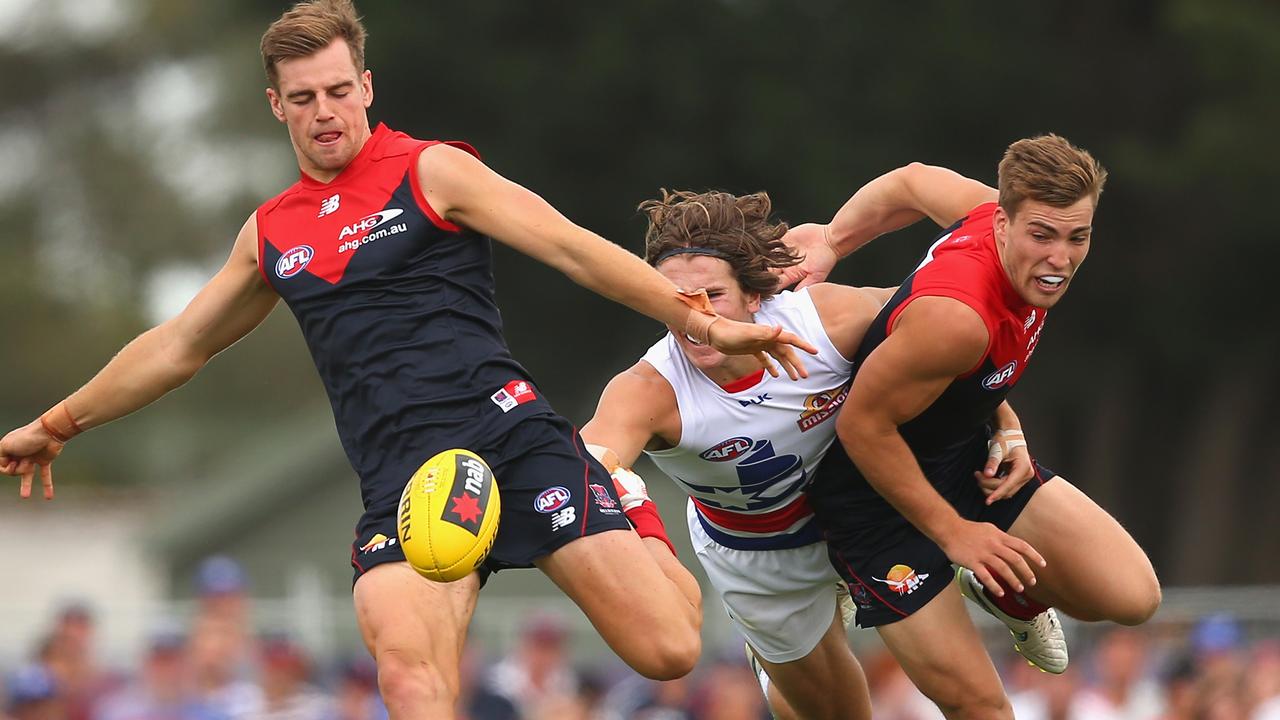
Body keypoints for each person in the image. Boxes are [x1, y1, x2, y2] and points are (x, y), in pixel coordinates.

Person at [0, 2, 818, 718]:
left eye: (338, 90)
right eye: (303, 98)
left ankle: (625, 497)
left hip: (512, 440)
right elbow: (176, 346)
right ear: (275, 105)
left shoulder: (433, 171)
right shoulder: (273, 233)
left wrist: (703, 326)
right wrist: (59, 420)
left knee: (668, 650)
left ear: (365, 86)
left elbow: (572, 249)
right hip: (402, 482)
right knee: (410, 679)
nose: (325, 112)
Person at [581, 189, 1047, 720]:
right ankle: (773, 660)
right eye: (676, 298)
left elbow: (949, 334)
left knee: (988, 692)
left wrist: (1004, 421)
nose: (698, 315)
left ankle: (992, 589)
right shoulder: (648, 389)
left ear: (755, 297)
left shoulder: (827, 321)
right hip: (760, 555)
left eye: (714, 293)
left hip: (874, 514)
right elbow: (594, 462)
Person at [780, 134, 1162, 719]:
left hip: (965, 459)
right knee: (986, 710)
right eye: (1043, 235)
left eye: (1077, 237)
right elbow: (862, 428)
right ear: (1004, 226)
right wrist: (955, 534)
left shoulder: (991, 213)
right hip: (876, 505)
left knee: (1133, 596)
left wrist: (834, 239)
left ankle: (998, 589)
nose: (1060, 258)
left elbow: (909, 178)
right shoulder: (956, 319)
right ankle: (843, 585)